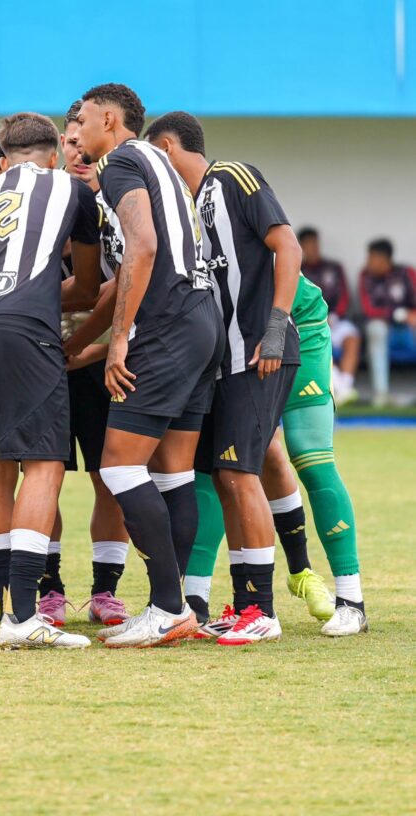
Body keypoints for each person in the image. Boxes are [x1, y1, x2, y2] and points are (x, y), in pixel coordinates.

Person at [73, 86, 223, 650]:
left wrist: (117, 345)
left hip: (167, 325)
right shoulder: (159, 159)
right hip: (199, 317)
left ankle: (166, 606)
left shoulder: (120, 162)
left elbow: (142, 249)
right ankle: (177, 604)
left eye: (83, 119)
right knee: (173, 472)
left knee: (117, 467)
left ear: (109, 120)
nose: (79, 131)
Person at [145, 110, 301, 646]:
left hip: (261, 352)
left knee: (240, 476)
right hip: (222, 365)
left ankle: (264, 609)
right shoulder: (187, 210)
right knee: (228, 482)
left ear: (167, 147)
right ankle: (245, 603)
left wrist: (276, 329)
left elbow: (289, 246)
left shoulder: (233, 176)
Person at [0, 111, 101, 649]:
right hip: (26, 328)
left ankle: (7, 609)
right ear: (54, 151)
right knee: (43, 466)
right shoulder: (70, 189)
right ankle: (22, 616)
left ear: (0, 157)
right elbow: (86, 286)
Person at [185, 272, 368, 637]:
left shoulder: (243, 210)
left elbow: (286, 245)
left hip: (292, 321)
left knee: (310, 456)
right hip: (228, 332)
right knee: (223, 459)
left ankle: (349, 601)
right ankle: (197, 603)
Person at [38, 100, 131, 629]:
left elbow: (128, 291)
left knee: (108, 477)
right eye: (67, 143)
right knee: (43, 477)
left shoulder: (122, 203)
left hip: (100, 362)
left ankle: (106, 590)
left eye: (82, 142)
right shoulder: (43, 205)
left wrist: (92, 350)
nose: (76, 152)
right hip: (44, 363)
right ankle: (49, 589)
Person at [299, 227, 360, 404]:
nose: (313, 248)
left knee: (352, 338)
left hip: (335, 320)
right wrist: (316, 319)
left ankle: (345, 386)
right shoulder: (298, 270)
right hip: (310, 324)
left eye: (315, 243)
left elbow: (344, 296)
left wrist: (333, 316)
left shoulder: (334, 267)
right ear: (301, 247)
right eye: (308, 245)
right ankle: (340, 388)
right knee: (317, 345)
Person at [359, 238, 416, 406]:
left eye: (371, 257)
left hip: (408, 331)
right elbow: (369, 310)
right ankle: (381, 394)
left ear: (383, 258)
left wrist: (410, 316)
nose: (368, 262)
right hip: (386, 331)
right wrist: (400, 314)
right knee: (376, 328)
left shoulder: (406, 273)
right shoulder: (366, 276)